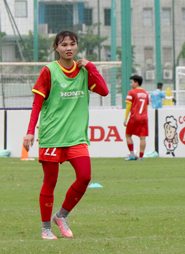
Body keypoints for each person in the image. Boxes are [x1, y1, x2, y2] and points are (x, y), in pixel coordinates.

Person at [23, 30, 109, 240]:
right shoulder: (49, 71)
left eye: (72, 44)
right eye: (64, 45)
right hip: (53, 136)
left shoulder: (83, 71)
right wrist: (29, 132)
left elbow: (105, 91)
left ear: (77, 46)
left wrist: (90, 66)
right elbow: (37, 104)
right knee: (50, 182)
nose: (69, 48)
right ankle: (45, 228)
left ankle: (61, 216)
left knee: (85, 177)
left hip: (76, 137)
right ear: (56, 48)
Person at [124, 75, 149, 161]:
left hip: (134, 117)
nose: (131, 84)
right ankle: (141, 157)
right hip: (144, 117)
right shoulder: (146, 93)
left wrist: (125, 118)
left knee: (128, 135)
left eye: (132, 82)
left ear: (136, 82)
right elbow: (147, 106)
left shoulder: (131, 92)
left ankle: (132, 155)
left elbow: (128, 105)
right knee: (142, 138)